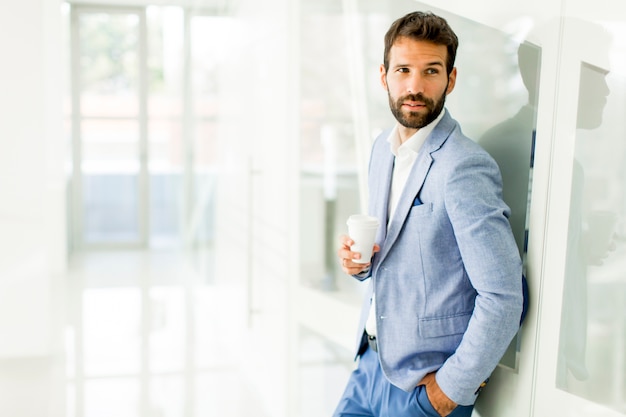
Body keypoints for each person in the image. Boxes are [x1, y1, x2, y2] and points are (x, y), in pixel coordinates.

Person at [334, 11, 524, 417]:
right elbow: (401, 256)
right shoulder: (381, 151)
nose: (415, 86)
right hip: (369, 366)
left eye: (431, 71)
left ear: (450, 79)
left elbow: (504, 296)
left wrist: (449, 389)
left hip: (422, 389)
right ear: (384, 76)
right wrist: (360, 264)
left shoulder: (464, 167)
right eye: (403, 70)